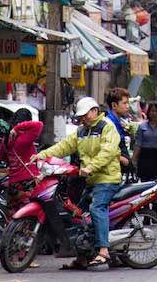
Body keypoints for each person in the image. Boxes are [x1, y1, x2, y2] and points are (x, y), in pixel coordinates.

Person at [35, 96, 122, 270]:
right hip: (91, 180)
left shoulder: (107, 127)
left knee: (97, 208)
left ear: (95, 111)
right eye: (81, 116)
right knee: (79, 215)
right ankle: (83, 257)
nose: (82, 118)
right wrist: (42, 155)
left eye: (85, 115)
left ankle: (103, 251)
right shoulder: (82, 131)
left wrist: (90, 167)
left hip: (107, 179)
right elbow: (64, 146)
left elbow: (108, 151)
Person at [132, 102, 157, 182]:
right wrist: (134, 160)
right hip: (144, 157)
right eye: (152, 111)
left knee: (156, 184)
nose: (154, 113)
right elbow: (138, 144)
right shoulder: (142, 126)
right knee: (144, 183)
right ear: (148, 112)